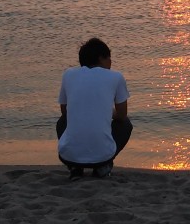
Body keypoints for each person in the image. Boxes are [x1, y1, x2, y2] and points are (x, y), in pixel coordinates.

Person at [56, 38, 133, 180]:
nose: (111, 63)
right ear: (101, 58)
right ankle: (103, 166)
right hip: (102, 156)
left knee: (62, 121)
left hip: (68, 156)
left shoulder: (69, 75)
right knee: (125, 125)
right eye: (109, 58)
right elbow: (122, 115)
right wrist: (106, 112)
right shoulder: (116, 77)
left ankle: (75, 168)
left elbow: (65, 111)